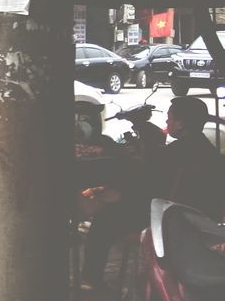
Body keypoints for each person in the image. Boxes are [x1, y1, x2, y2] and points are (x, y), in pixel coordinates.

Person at [82, 97, 225, 291]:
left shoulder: (175, 154)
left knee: (104, 220)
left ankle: (91, 280)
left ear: (181, 123)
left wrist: (119, 195)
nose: (166, 123)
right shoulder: (209, 151)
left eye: (170, 119)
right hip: (201, 220)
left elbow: (150, 188)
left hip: (173, 221)